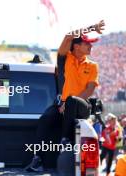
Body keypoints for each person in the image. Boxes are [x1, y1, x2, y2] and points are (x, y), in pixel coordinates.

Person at [26, 20, 105, 172]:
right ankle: (37, 159)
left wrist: (68, 103)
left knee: (71, 101)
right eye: (87, 43)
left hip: (82, 106)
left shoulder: (93, 65)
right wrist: (92, 28)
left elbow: (89, 90)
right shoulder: (65, 58)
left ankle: (64, 141)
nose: (91, 46)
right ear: (76, 46)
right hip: (63, 104)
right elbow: (68, 36)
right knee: (45, 119)